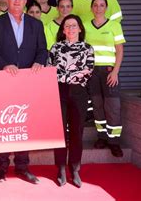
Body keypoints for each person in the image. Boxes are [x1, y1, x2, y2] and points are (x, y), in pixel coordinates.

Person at [0, 0, 47, 185]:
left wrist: (39, 62)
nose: (16, 1)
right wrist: (4, 65)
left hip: (27, 83)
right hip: (4, 82)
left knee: (23, 125)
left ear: (26, 0)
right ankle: (2, 166)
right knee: (3, 125)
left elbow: (42, 50)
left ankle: (22, 166)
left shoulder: (36, 24)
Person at [48, 14, 95, 188]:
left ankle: (74, 168)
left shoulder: (87, 48)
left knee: (77, 132)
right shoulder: (55, 48)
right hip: (59, 92)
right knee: (59, 133)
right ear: (63, 30)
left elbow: (88, 70)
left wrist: (65, 77)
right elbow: (49, 69)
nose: (70, 29)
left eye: (74, 26)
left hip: (79, 93)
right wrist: (67, 77)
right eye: (67, 26)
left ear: (80, 28)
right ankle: (60, 169)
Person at [84, 0, 126, 157]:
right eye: (95, 5)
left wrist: (115, 71)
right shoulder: (86, 26)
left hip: (109, 72)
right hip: (93, 73)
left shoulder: (115, 26)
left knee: (113, 107)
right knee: (97, 106)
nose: (98, 8)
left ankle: (114, 141)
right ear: (91, 8)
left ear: (106, 8)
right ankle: (101, 137)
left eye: (102, 5)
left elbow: (120, 50)